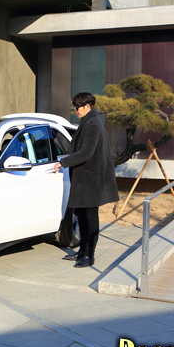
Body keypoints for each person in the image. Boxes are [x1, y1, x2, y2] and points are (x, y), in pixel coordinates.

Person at [53, 92, 119, 268]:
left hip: (91, 180)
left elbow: (86, 152)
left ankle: (90, 255)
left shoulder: (93, 124)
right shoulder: (88, 121)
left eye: (78, 107)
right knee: (82, 216)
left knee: (90, 217)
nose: (76, 111)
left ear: (87, 106)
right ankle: (82, 250)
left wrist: (63, 162)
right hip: (85, 179)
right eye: (75, 107)